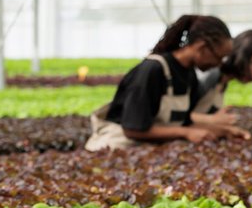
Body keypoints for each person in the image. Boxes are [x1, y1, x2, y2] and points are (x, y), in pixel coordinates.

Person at [84, 14, 237, 151]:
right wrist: (187, 133)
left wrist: (222, 130)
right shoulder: (153, 70)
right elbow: (132, 129)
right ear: (201, 47)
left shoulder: (189, 74)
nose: (218, 64)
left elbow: (183, 122)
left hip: (144, 152)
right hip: (115, 149)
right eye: (218, 57)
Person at [189, 28, 252, 134]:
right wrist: (211, 120)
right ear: (242, 56)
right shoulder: (210, 76)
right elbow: (175, 118)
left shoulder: (222, 82)